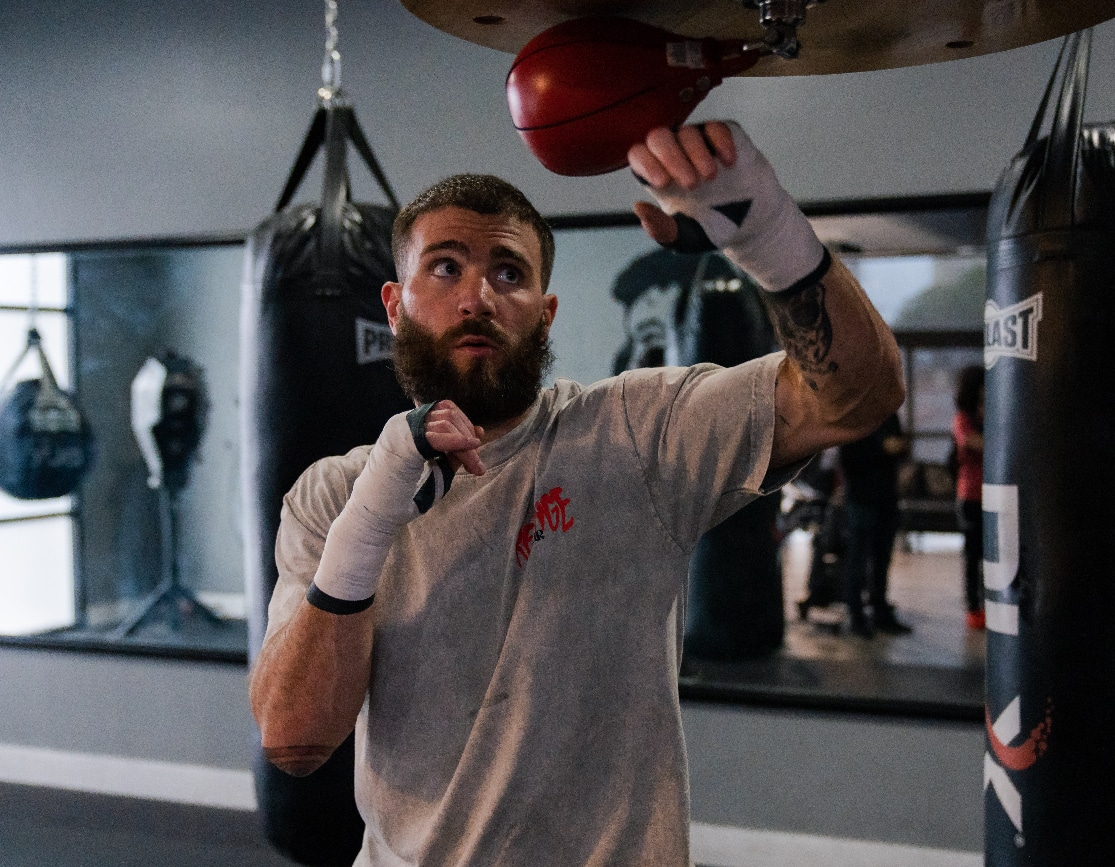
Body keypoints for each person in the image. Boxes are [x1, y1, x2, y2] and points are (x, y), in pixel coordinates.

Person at [249, 121, 905, 866]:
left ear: (545, 310)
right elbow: (295, 741)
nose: (477, 297)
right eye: (445, 268)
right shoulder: (333, 495)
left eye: (508, 272)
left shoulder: (635, 435)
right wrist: (370, 519)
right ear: (393, 305)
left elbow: (861, 395)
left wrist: (764, 228)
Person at [838, 412, 912, 637]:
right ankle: (856, 614)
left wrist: (898, 449)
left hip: (886, 495)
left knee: (882, 557)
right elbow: (848, 458)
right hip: (861, 497)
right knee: (859, 558)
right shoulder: (853, 415)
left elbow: (901, 449)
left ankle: (880, 611)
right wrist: (883, 449)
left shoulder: (888, 414)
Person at [953, 364, 985, 631]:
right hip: (971, 495)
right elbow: (973, 442)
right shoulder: (963, 418)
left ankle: (986, 604)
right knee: (973, 556)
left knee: (989, 555)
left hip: (990, 496)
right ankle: (974, 607)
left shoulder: (985, 415)